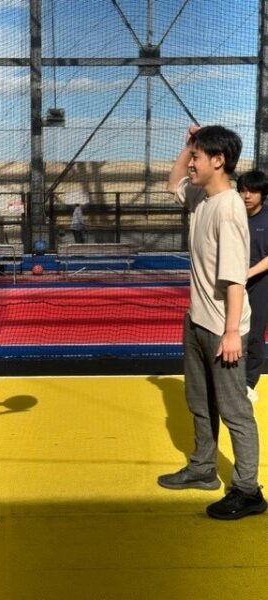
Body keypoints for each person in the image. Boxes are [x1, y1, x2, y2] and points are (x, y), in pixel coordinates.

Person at [158, 125, 267, 520]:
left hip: (223, 328)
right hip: (197, 321)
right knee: (200, 402)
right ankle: (203, 468)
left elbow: (235, 279)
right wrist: (189, 143)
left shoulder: (229, 209)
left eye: (198, 158)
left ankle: (248, 491)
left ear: (218, 161)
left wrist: (232, 331)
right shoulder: (202, 197)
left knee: (235, 410)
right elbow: (172, 183)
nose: (191, 164)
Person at [237, 170, 268, 403]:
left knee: (255, 334)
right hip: (232, 282)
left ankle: (248, 383)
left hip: (260, 283)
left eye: (253, 191)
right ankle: (229, 378)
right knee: (229, 331)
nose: (247, 196)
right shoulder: (232, 215)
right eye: (243, 190)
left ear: (263, 194)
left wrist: (248, 273)